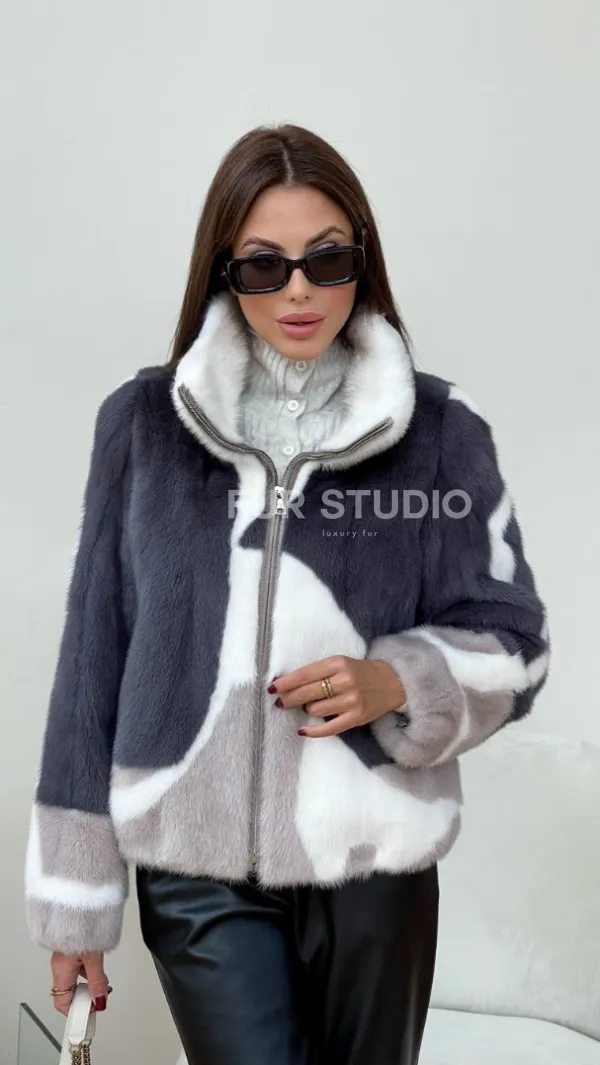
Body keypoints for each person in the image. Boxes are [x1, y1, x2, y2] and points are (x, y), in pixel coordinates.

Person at [25, 123, 550, 1065]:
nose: (299, 290)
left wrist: (400, 681)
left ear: (362, 259)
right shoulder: (144, 425)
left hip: (373, 865)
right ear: (225, 272)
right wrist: (76, 903)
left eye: (326, 259)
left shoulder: (439, 430)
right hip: (195, 865)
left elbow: (515, 637)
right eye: (264, 265)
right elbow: (91, 662)